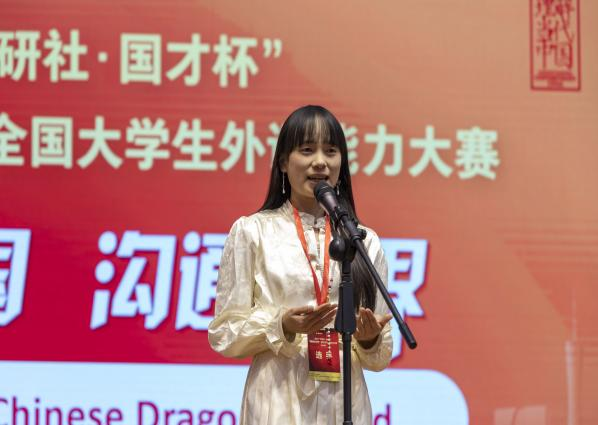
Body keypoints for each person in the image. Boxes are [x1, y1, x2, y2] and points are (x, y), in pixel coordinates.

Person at [208, 105, 393, 425]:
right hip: (276, 399)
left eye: (331, 151)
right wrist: (281, 325)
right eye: (307, 150)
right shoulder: (253, 232)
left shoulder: (363, 241)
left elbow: (379, 358)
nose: (320, 161)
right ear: (283, 161)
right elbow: (224, 333)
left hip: (344, 402)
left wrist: (369, 338)